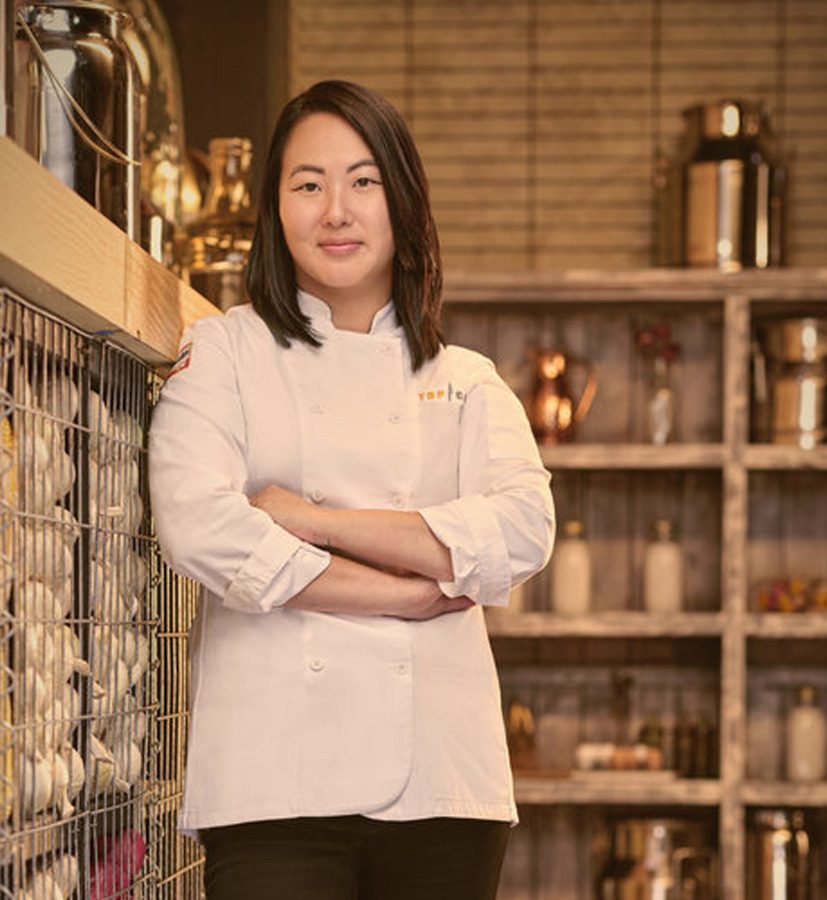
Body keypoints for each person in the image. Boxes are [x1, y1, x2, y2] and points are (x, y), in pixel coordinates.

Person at [147, 79, 555, 900]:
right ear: (276, 210)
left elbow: (520, 533)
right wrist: (399, 596)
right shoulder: (224, 352)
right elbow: (199, 526)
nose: (336, 209)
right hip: (273, 780)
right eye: (308, 184)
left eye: (363, 181)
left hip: (444, 780)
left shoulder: (466, 381)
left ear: (403, 203)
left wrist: (308, 518)